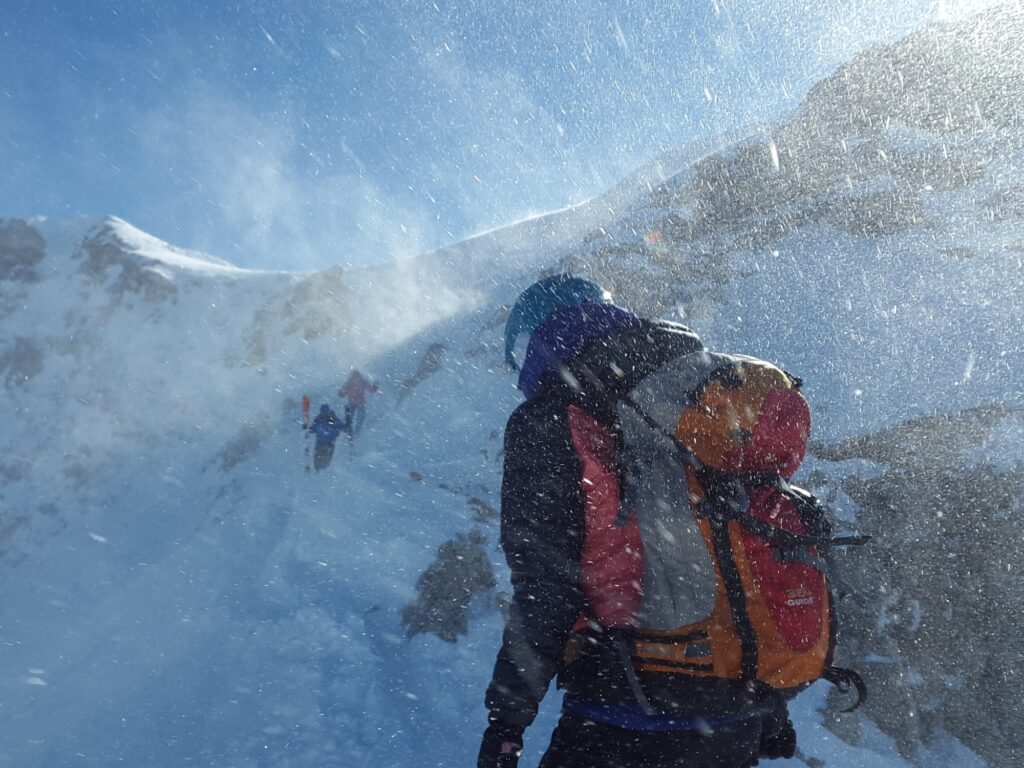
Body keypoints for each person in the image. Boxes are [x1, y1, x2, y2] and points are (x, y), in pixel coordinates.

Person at [478, 275, 796, 768]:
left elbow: (546, 587)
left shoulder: (551, 419)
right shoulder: (696, 392)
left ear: (538, 339)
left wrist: (505, 723)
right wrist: (769, 706)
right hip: (733, 716)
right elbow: (738, 545)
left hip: (623, 712)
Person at [338, 369, 378, 440]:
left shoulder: (350, 383)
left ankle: (351, 434)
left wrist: (341, 393)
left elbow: (343, 393)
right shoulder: (359, 382)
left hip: (353, 403)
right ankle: (354, 433)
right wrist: (375, 386)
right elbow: (371, 389)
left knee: (352, 419)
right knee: (358, 418)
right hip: (358, 403)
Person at [309, 404, 343, 471]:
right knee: (317, 462)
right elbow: (312, 429)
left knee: (325, 463)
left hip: (329, 444)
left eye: (326, 412)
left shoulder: (333, 420)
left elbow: (342, 427)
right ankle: (317, 474)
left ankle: (324, 475)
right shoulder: (318, 419)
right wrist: (310, 429)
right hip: (319, 444)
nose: (324, 414)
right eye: (323, 412)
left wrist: (347, 425)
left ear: (328, 411)